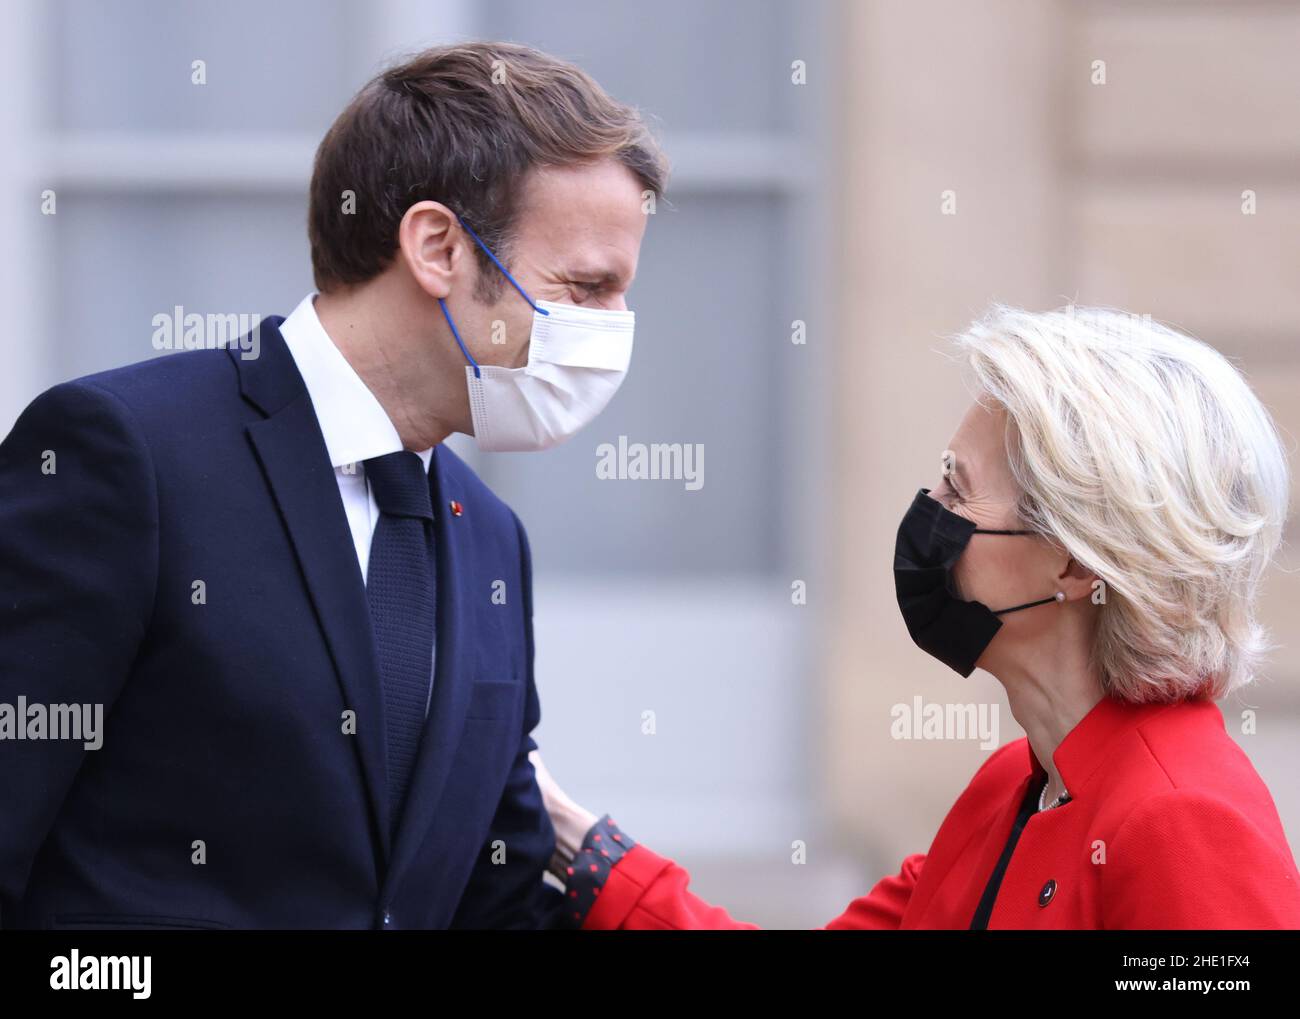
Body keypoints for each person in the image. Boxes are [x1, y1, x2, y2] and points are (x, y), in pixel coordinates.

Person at [0, 42, 665, 929]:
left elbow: (488, 897)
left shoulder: (490, 539)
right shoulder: (127, 453)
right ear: (437, 247)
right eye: (586, 287)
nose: (613, 330)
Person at [534, 304, 1300, 929]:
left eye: (958, 489)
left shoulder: (1183, 818)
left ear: (1074, 564)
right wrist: (577, 842)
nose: (929, 513)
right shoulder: (1014, 786)